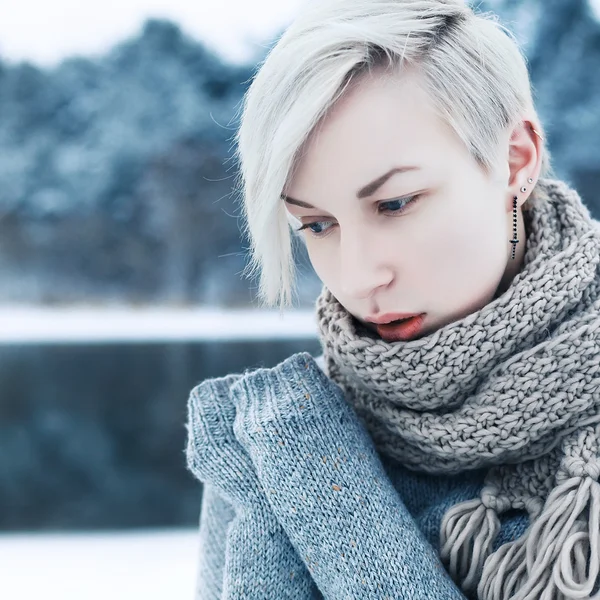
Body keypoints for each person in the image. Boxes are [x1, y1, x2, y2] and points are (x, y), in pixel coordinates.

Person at [185, 0, 600, 598]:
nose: (357, 277)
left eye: (395, 204)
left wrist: (330, 496)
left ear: (516, 161)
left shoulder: (296, 445)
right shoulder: (273, 431)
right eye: (317, 224)